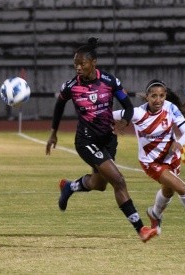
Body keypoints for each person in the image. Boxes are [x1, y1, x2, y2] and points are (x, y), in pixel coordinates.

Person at [45, 37, 157, 243]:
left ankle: (70, 187)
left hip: (108, 139)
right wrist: (53, 132)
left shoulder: (109, 81)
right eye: (75, 64)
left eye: (82, 63)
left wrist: (123, 121)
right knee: (118, 181)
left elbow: (129, 107)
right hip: (85, 140)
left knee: (99, 184)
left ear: (93, 62)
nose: (78, 67)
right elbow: (59, 106)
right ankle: (141, 229)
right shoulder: (70, 86)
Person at [113, 79, 185, 235]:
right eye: (154, 96)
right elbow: (108, 115)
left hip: (172, 157)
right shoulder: (137, 113)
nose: (158, 100)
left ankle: (154, 214)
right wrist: (112, 125)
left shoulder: (170, 108)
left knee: (168, 191)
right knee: (181, 188)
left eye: (162, 96)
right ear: (147, 97)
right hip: (151, 162)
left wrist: (179, 143)